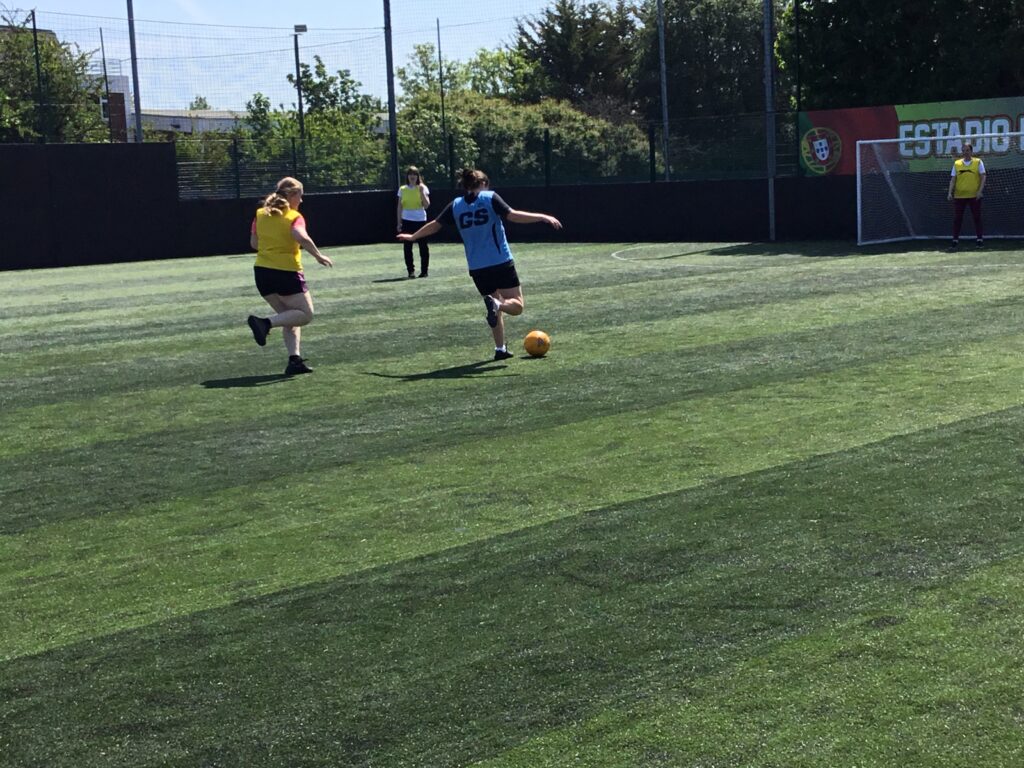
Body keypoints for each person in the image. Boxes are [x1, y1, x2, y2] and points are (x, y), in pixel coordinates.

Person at [398, 167, 562, 360]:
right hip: (500, 261)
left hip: (477, 267)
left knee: (494, 305)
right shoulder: (489, 197)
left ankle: (500, 349)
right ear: (483, 184)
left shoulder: (456, 205)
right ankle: (497, 306)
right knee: (516, 306)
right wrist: (542, 217)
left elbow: (435, 225)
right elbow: (513, 215)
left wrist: (413, 236)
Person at [246, 176, 333, 375]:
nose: (301, 201)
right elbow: (299, 235)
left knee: (289, 317)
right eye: (300, 196)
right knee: (305, 315)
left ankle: (294, 360)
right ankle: (265, 323)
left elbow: (254, 243)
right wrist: (318, 255)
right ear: (292, 195)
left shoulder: (260, 214)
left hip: (262, 273)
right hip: (286, 273)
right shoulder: (294, 216)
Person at [947, 141, 986, 250]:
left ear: (971, 151)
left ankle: (979, 240)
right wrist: (950, 192)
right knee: (957, 219)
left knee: (977, 218)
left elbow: (983, 177)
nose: (965, 152)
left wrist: (979, 191)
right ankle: (955, 241)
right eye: (963, 151)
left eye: (967, 150)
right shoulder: (957, 164)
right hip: (959, 196)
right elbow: (953, 179)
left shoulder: (978, 162)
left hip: (974, 195)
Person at [396, 166, 431, 277]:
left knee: (423, 247)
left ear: (418, 176)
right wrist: (399, 222)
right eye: (410, 174)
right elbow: (399, 207)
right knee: (407, 247)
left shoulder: (423, 188)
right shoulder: (402, 189)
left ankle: (424, 271)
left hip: (420, 220)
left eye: (415, 174)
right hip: (407, 221)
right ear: (407, 176)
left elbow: (426, 205)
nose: (412, 176)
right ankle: (411, 271)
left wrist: (421, 192)